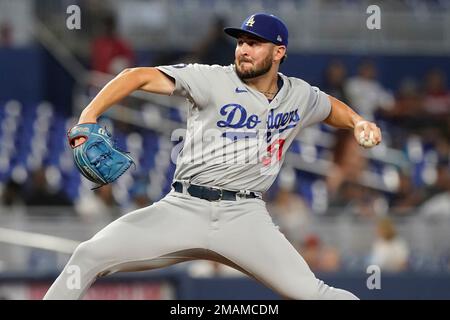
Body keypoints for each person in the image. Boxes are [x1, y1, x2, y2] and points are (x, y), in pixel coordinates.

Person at [44, 13, 382, 300]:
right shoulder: (211, 78)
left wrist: (357, 121)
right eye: (241, 42)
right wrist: (88, 116)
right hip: (183, 208)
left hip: (244, 216)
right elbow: (136, 76)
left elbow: (328, 108)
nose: (244, 50)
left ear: (279, 51)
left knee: (317, 294)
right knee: (87, 255)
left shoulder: (299, 94)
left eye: (255, 43)